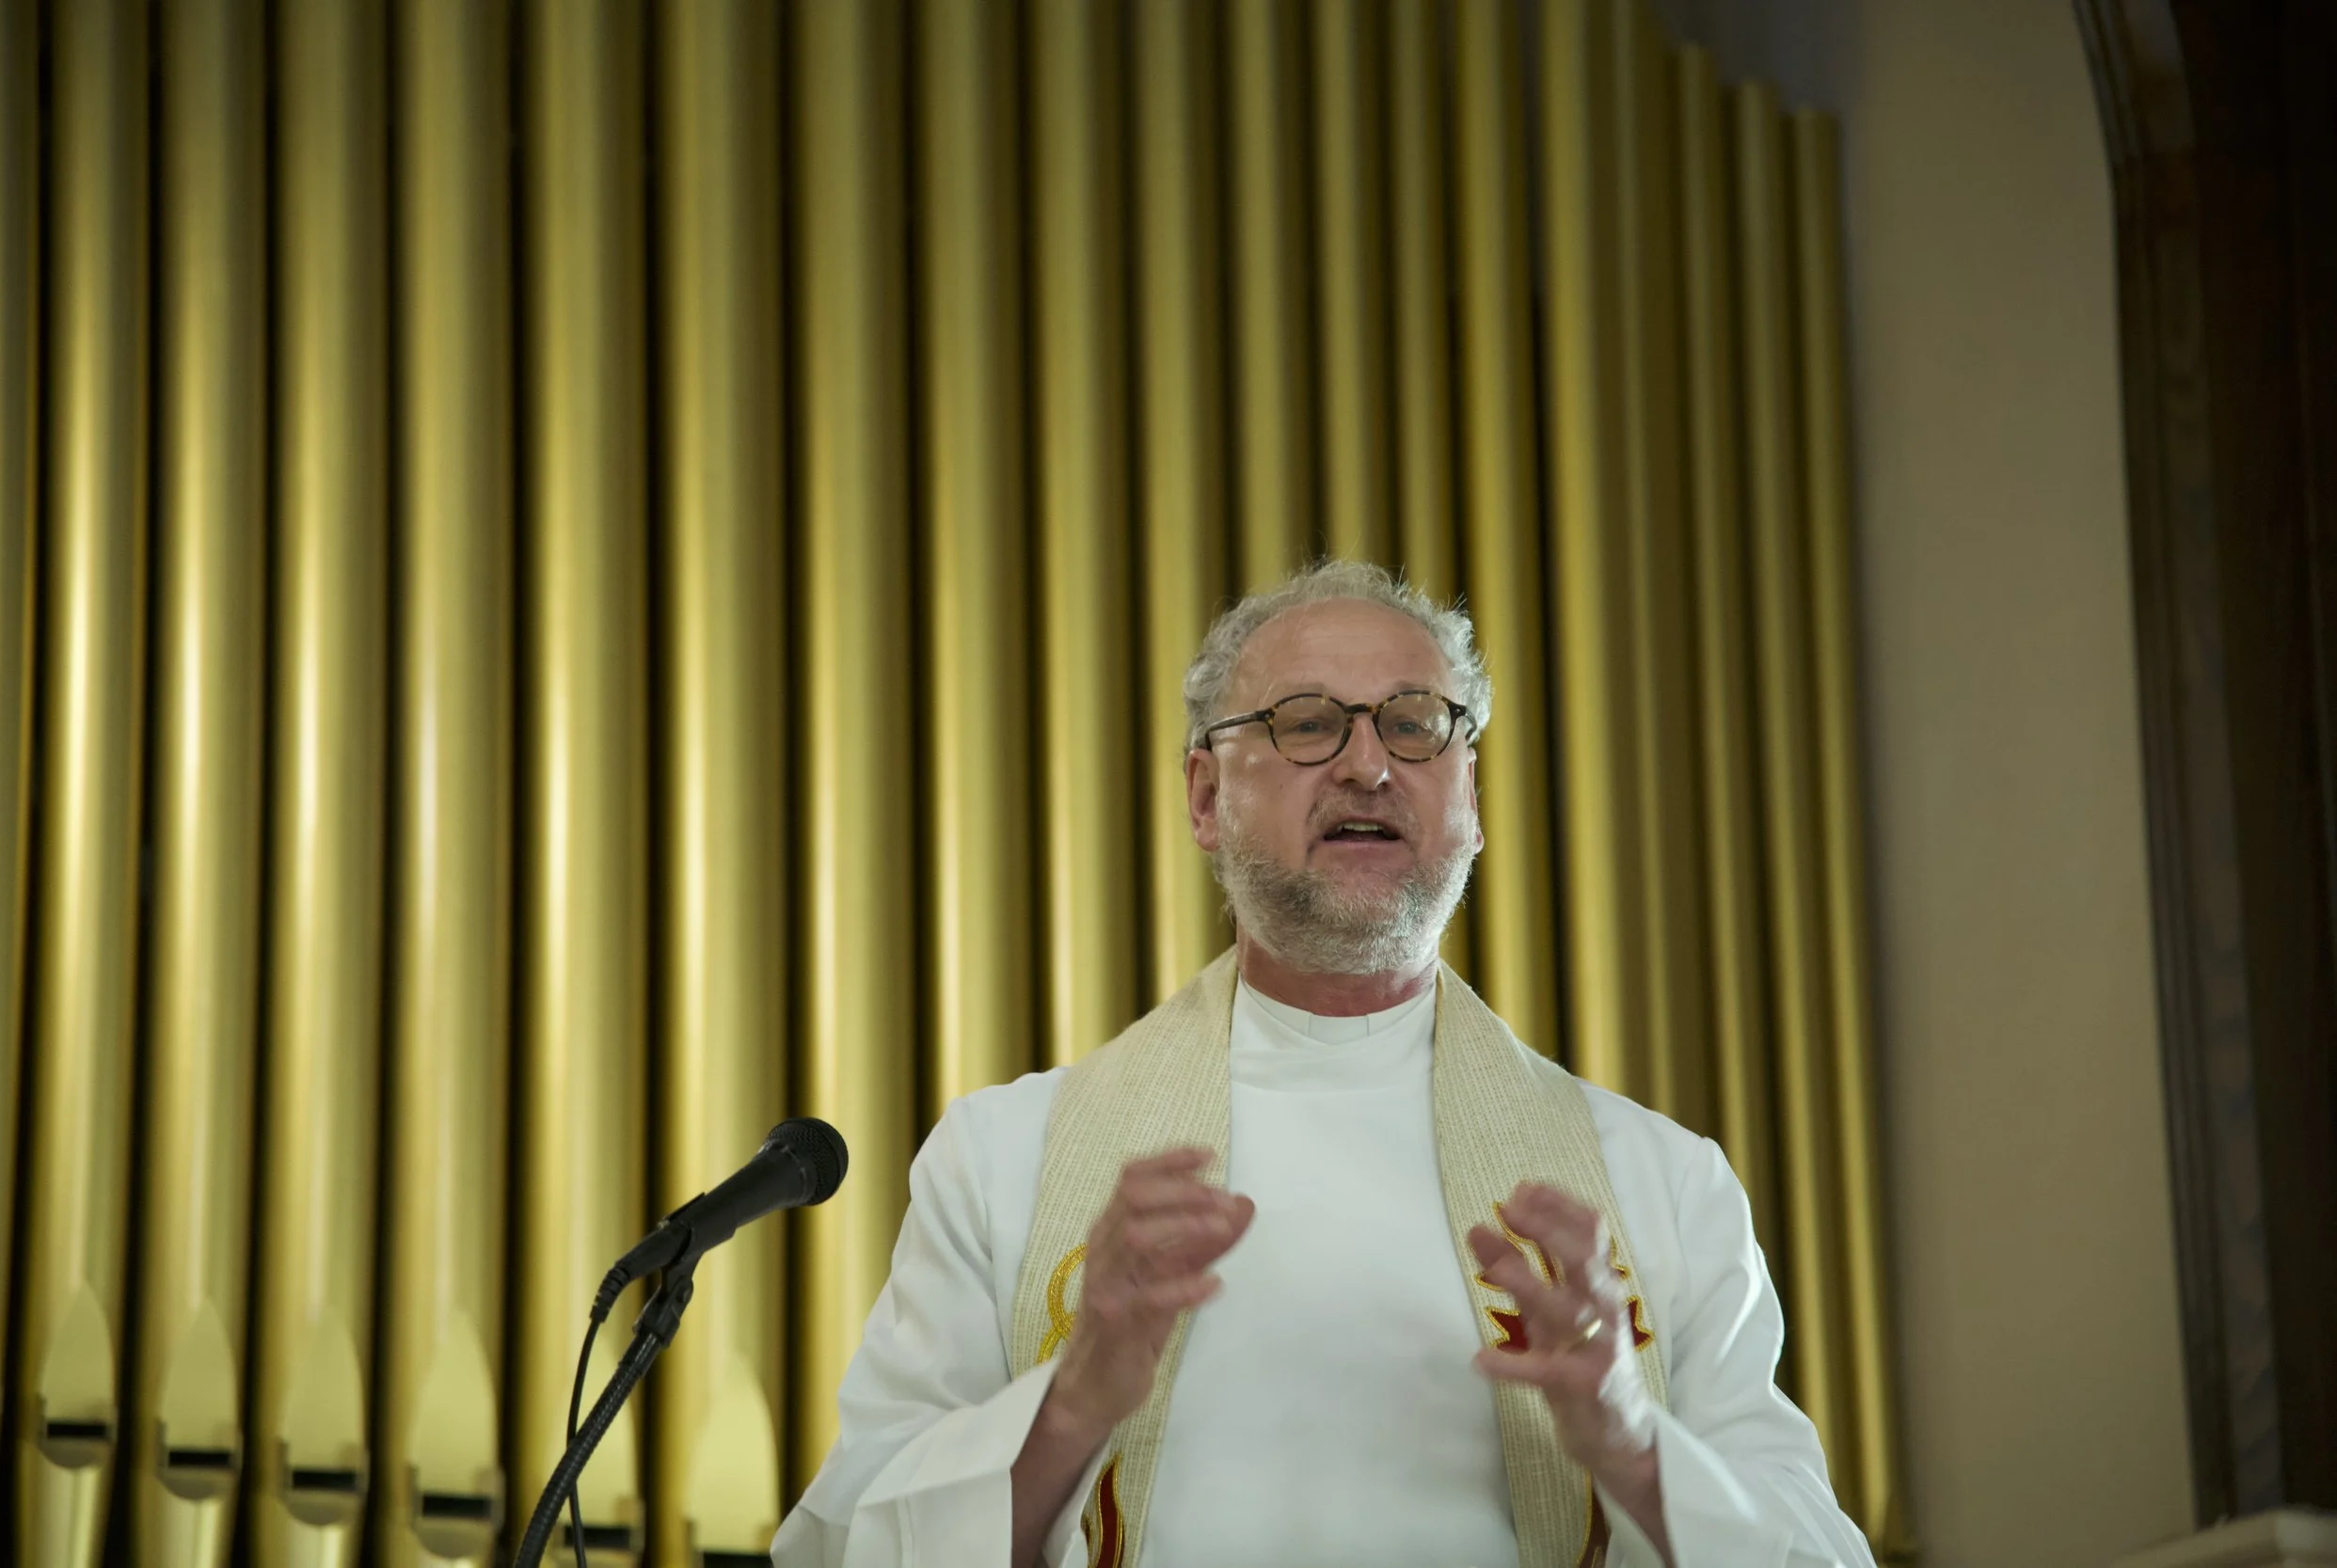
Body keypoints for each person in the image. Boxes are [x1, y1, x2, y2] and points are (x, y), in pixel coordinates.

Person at [772, 562, 1877, 1568]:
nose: (1366, 764)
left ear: (1470, 795)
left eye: (1413, 724)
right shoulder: (1000, 1160)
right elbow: (846, 1541)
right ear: (1206, 796)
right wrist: (1069, 1406)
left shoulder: (1663, 1183)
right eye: (1307, 724)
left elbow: (1818, 1553)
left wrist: (1633, 1444)